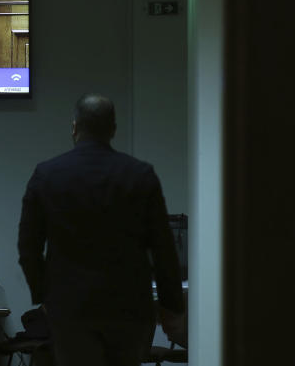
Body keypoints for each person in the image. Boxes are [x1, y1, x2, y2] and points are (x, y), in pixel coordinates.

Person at [17, 94, 185, 366]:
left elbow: (28, 247)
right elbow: (164, 249)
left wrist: (43, 295)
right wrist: (172, 307)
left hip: (70, 307)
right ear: (113, 129)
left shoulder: (47, 175)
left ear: (74, 127)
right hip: (129, 307)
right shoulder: (140, 175)